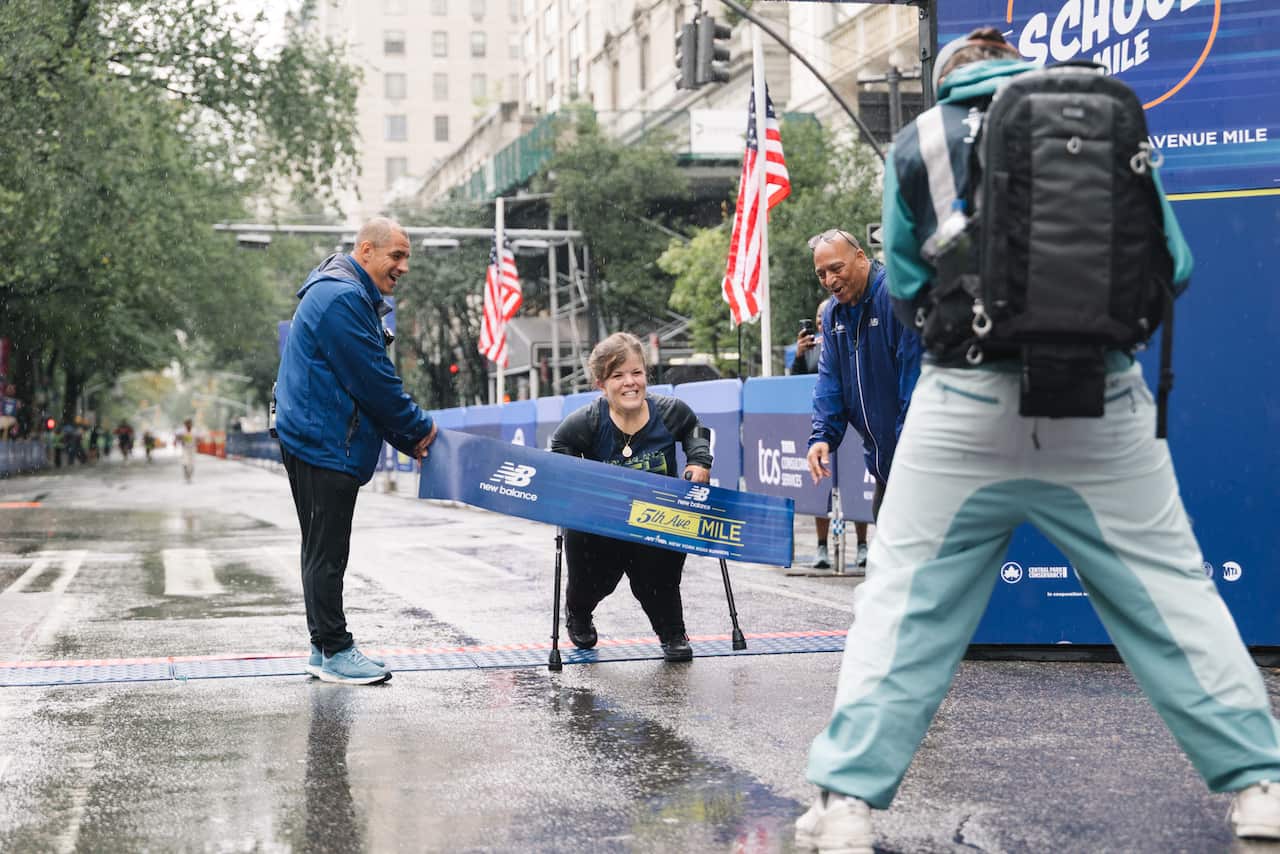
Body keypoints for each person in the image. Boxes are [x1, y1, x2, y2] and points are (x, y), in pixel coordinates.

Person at [796, 29, 1280, 853]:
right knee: (1171, 595)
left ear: (947, 79)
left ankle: (846, 805)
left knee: (903, 601)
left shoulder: (921, 141)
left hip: (962, 407)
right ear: (1017, 60)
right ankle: (1260, 787)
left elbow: (909, 286)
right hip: (1102, 400)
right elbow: (1176, 260)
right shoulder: (1108, 121)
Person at [274, 217, 438, 686]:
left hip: (316, 438)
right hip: (324, 442)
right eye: (397, 256)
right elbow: (373, 382)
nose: (403, 267)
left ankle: (322, 647)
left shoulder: (339, 290)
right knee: (327, 552)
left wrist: (408, 435)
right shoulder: (343, 297)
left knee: (320, 548)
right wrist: (418, 431)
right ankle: (335, 647)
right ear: (366, 250)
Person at [550, 332, 713, 663]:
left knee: (659, 581)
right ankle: (578, 613)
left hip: (656, 520)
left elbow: (694, 429)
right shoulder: (587, 422)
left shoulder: (669, 412)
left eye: (636, 373)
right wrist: (577, 483)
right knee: (593, 582)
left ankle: (672, 631)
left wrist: (698, 461)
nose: (630, 383)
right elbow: (560, 448)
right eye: (617, 375)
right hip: (601, 525)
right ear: (601, 383)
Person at [804, 228, 921, 575]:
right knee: (893, 569)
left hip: (915, 463)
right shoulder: (833, 315)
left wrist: (908, 455)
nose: (829, 279)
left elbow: (913, 385)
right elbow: (830, 383)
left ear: (861, 258)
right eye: (821, 273)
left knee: (919, 565)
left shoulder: (894, 297)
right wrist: (822, 435)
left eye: (836, 268)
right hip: (885, 466)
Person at [793, 305, 870, 570]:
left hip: (853, 425)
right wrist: (799, 356)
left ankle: (862, 545)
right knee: (822, 489)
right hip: (824, 427)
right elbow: (796, 382)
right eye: (816, 318)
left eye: (824, 317)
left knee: (855, 487)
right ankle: (822, 547)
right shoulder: (812, 349)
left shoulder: (853, 341)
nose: (820, 322)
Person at [178, 418, 196, 482]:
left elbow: (198, 438)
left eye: (190, 423)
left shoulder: (194, 431)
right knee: (185, 462)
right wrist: (181, 439)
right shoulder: (182, 431)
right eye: (187, 423)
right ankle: (186, 473)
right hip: (185, 449)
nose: (189, 425)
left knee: (192, 464)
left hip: (192, 449)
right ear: (185, 424)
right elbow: (178, 437)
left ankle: (189, 475)